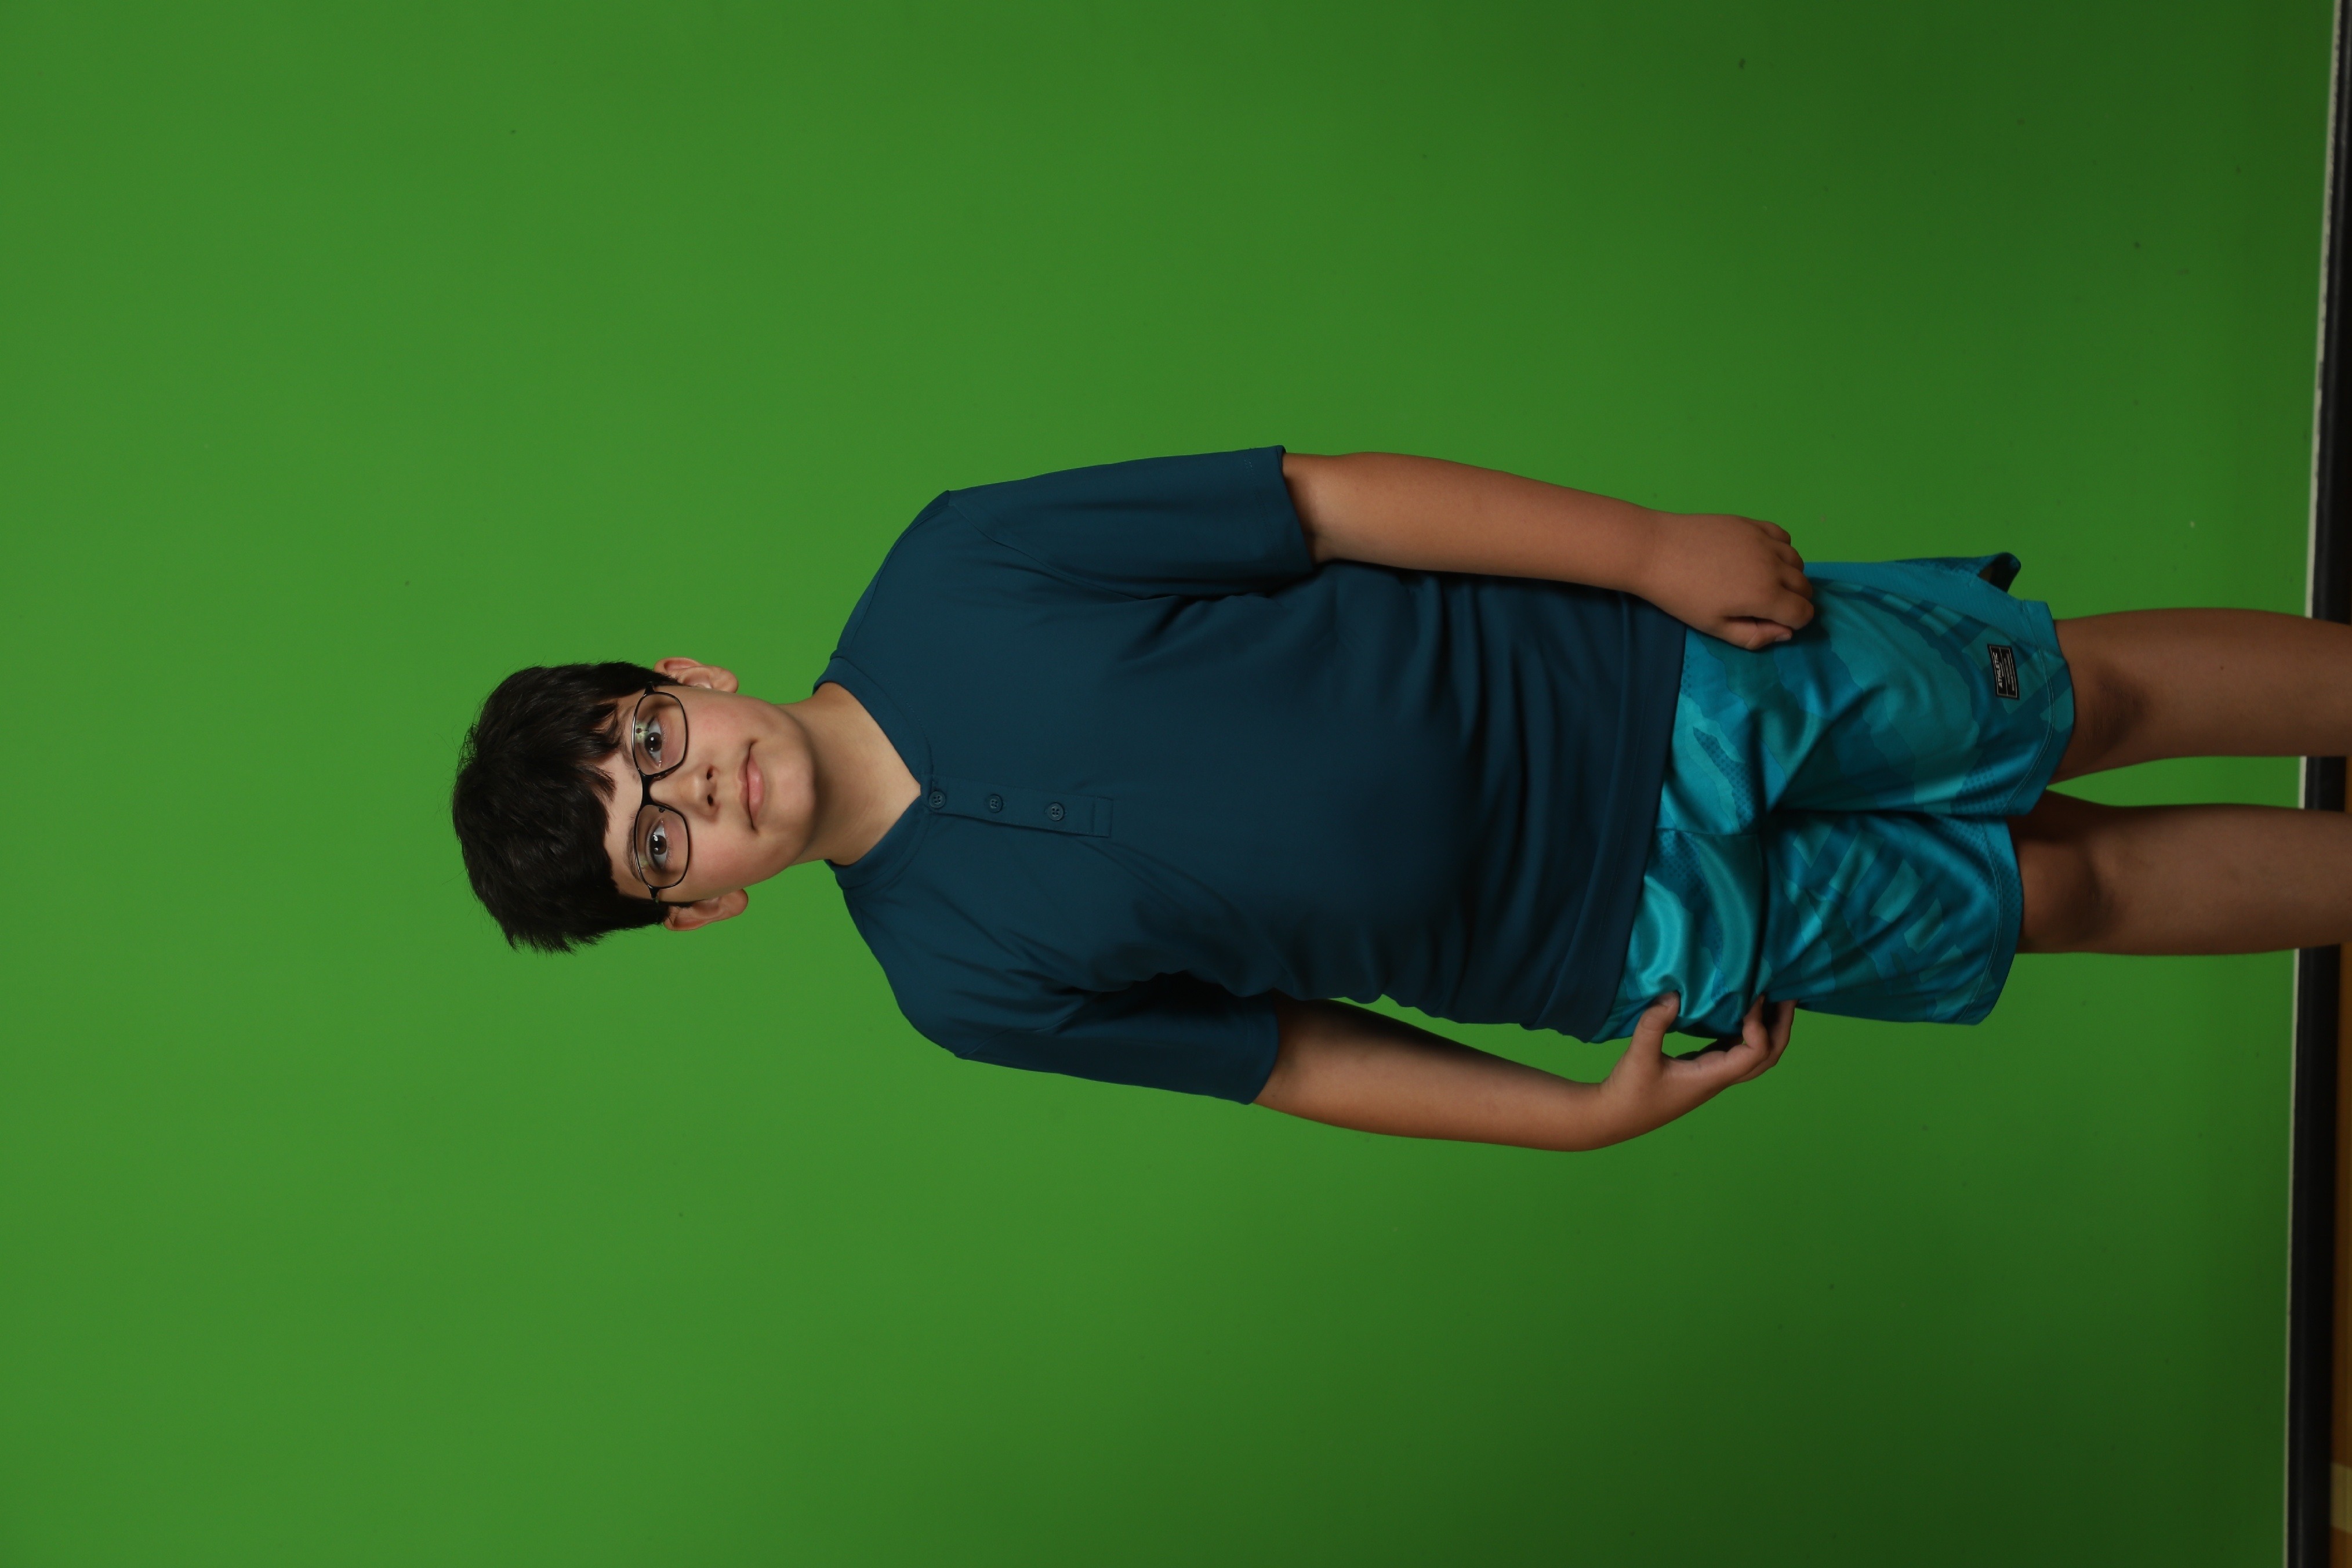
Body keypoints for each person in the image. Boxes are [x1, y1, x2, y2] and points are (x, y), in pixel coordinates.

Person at [450, 448, 2352, 1151]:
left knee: (2081, 700)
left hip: (1651, 681)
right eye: (661, 839)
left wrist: (1644, 549)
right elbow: (1288, 1058)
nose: (698, 786)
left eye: (652, 743)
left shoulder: (957, 570)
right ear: (702, 907)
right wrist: (1567, 1123)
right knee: (2059, 897)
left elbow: (1326, 506)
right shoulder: (959, 985)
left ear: (683, 675)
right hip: (1616, 937)